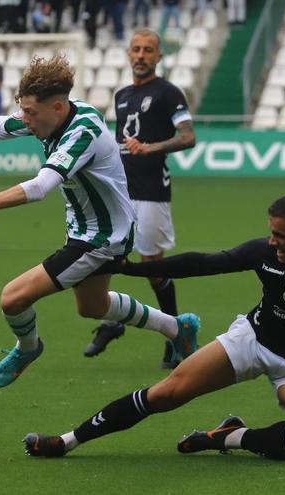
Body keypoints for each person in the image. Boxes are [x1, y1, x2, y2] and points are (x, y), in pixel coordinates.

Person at [21, 193, 285, 460]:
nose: (271, 241)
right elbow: (203, 264)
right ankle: (68, 441)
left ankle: (232, 437)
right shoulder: (265, 253)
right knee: (166, 394)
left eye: (279, 235)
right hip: (253, 341)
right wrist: (130, 268)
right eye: (271, 232)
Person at [0, 55, 201, 388]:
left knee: (12, 298)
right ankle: (177, 328)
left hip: (101, 238)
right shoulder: (47, 114)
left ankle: (28, 347)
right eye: (24, 111)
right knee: (93, 307)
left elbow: (39, 188)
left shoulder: (83, 132)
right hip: (89, 229)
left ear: (58, 106)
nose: (26, 120)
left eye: (31, 114)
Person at [84, 29, 196, 368]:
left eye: (148, 50)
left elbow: (188, 136)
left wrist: (152, 147)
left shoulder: (168, 93)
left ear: (159, 56)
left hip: (150, 191)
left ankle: (176, 336)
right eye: (136, 49)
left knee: (152, 266)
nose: (141, 55)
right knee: (104, 255)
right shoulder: (122, 95)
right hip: (120, 189)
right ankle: (112, 322)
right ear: (129, 54)